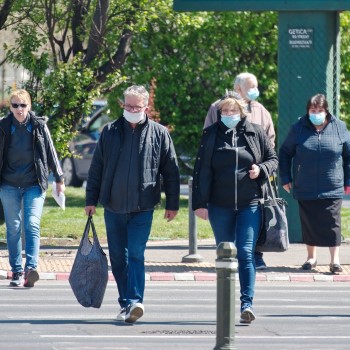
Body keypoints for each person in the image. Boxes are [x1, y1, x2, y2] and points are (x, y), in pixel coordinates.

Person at [85, 85, 180, 324]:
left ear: (146, 107)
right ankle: (126, 302)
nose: (131, 110)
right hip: (113, 206)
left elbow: (171, 171)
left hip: (143, 207)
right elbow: (97, 168)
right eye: (128, 106)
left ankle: (135, 300)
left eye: (136, 107)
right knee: (118, 257)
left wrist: (173, 203)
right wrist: (90, 200)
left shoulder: (159, 133)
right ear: (123, 105)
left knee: (136, 253)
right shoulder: (110, 131)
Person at [192, 96, 278, 324]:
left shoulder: (255, 132)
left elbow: (273, 159)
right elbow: (200, 170)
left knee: (246, 252)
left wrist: (260, 169)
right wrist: (199, 203)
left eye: (233, 110)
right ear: (219, 113)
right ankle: (226, 303)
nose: (229, 114)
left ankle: (246, 304)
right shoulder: (210, 134)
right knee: (225, 253)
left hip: (250, 204)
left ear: (241, 112)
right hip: (219, 205)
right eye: (225, 111)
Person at [204, 72, 275, 270]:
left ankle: (256, 255)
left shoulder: (261, 111)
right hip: (223, 187)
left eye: (256, 86)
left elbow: (270, 142)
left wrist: (261, 167)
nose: (254, 90)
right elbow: (208, 137)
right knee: (227, 238)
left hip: (254, 180)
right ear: (238, 89)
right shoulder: (217, 108)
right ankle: (230, 262)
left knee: (254, 224)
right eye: (249, 87)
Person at [0, 89, 65, 287]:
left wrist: (59, 178)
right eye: (15, 105)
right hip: (8, 184)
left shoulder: (39, 125)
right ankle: (17, 271)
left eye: (23, 105)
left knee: (32, 224)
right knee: (13, 228)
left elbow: (51, 151)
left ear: (29, 106)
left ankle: (31, 268)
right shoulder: (3, 126)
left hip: (34, 184)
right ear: (10, 107)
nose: (19, 109)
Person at [279, 93, 350, 273]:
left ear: (326, 111)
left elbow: (348, 156)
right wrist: (286, 178)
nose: (316, 113)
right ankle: (311, 258)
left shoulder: (340, 127)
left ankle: (335, 261)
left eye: (320, 110)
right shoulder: (298, 128)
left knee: (332, 222)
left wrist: (348, 180)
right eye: (313, 110)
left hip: (332, 185)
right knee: (309, 221)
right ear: (308, 111)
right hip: (305, 185)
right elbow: (285, 153)